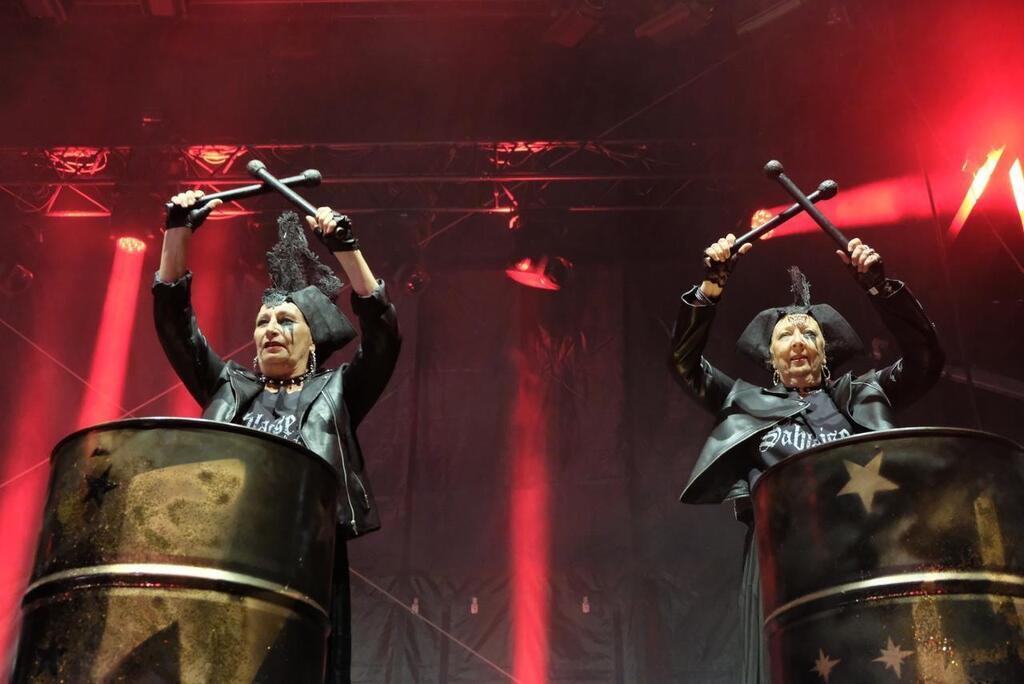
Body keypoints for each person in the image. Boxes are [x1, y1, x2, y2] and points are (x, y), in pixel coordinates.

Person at [669, 233, 944, 682]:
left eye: (808, 332)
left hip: (861, 553)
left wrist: (880, 287)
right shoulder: (744, 401)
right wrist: (710, 290)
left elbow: (926, 359)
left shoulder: (863, 394)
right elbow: (684, 362)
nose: (797, 340)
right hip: (781, 559)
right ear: (771, 355)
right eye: (785, 335)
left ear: (825, 351)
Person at [153, 190, 401, 684]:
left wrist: (347, 248)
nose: (270, 329)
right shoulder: (229, 385)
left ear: (314, 339)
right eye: (263, 322)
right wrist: (177, 231)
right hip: (227, 556)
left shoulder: (337, 392)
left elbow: (383, 337)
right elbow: (175, 325)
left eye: (286, 321)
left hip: (300, 566)